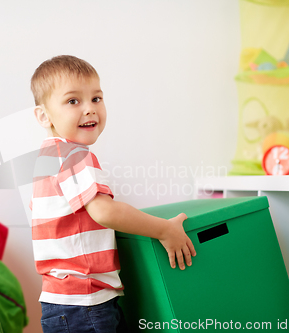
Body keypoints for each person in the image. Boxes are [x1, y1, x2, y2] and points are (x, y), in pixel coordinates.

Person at [30, 55, 196, 333]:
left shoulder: (48, 157)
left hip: (64, 303)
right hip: (85, 302)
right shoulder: (75, 155)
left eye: (96, 98)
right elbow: (105, 211)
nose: (89, 109)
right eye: (73, 101)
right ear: (44, 115)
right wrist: (164, 230)